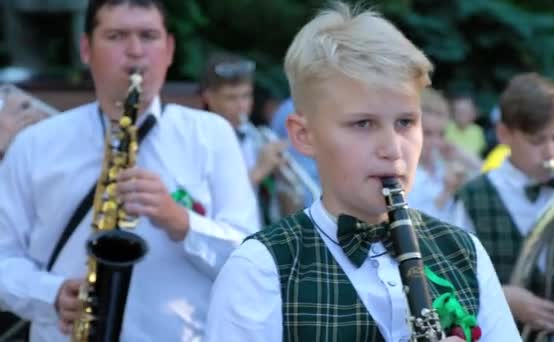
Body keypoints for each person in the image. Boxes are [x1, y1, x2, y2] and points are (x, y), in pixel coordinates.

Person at [205, 2, 519, 341]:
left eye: (406, 122)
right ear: (304, 135)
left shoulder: (464, 253)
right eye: (363, 123)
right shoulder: (260, 269)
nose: (393, 148)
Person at [0, 0, 259, 341]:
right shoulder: (34, 144)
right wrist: (49, 293)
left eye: (149, 36)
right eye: (116, 36)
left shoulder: (212, 135)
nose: (135, 52)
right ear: (86, 49)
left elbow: (250, 256)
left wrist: (183, 222)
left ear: (168, 50)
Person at [453, 72, 554, 336]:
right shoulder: (473, 196)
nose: (550, 152)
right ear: (504, 134)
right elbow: (453, 282)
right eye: (537, 141)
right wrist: (503, 298)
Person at [200, 52, 289, 224]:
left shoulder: (257, 137)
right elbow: (208, 203)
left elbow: (288, 209)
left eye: (246, 95)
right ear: (208, 97)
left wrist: (284, 182)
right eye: (231, 97)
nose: (242, 105)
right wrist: (260, 170)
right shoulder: (199, 140)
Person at [409, 88, 481, 222]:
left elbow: (488, 178)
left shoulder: (441, 164)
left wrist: (459, 154)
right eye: (428, 133)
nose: (436, 142)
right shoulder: (404, 174)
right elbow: (417, 226)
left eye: (441, 134)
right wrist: (447, 191)